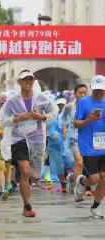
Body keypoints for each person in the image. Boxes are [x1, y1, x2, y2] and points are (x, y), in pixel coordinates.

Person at [0, 70, 58, 217]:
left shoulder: (42, 98)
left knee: (34, 174)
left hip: (37, 139)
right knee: (25, 171)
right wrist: (17, 119)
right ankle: (27, 205)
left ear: (33, 81)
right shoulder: (12, 101)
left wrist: (41, 117)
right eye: (25, 80)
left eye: (30, 80)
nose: (28, 82)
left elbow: (53, 113)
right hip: (19, 139)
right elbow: (2, 120)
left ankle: (33, 180)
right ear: (19, 82)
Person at [74, 75, 105, 218]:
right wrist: (89, 119)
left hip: (103, 146)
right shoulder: (84, 102)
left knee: (104, 178)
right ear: (92, 88)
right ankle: (81, 182)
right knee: (94, 179)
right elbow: (76, 123)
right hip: (88, 146)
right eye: (97, 89)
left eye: (102, 90)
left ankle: (95, 207)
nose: (99, 92)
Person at [61, 84, 89, 197]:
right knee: (79, 162)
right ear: (75, 94)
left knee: (83, 164)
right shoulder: (69, 106)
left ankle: (72, 178)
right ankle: (79, 190)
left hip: (86, 138)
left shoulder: (89, 106)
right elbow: (62, 118)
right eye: (80, 92)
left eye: (84, 92)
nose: (82, 95)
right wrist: (64, 128)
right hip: (73, 137)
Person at [47, 97, 70, 192]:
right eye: (59, 105)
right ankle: (63, 183)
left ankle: (72, 180)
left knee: (70, 163)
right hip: (55, 145)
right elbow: (51, 129)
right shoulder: (52, 117)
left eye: (62, 105)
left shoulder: (69, 115)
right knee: (58, 165)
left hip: (69, 144)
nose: (60, 107)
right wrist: (54, 134)